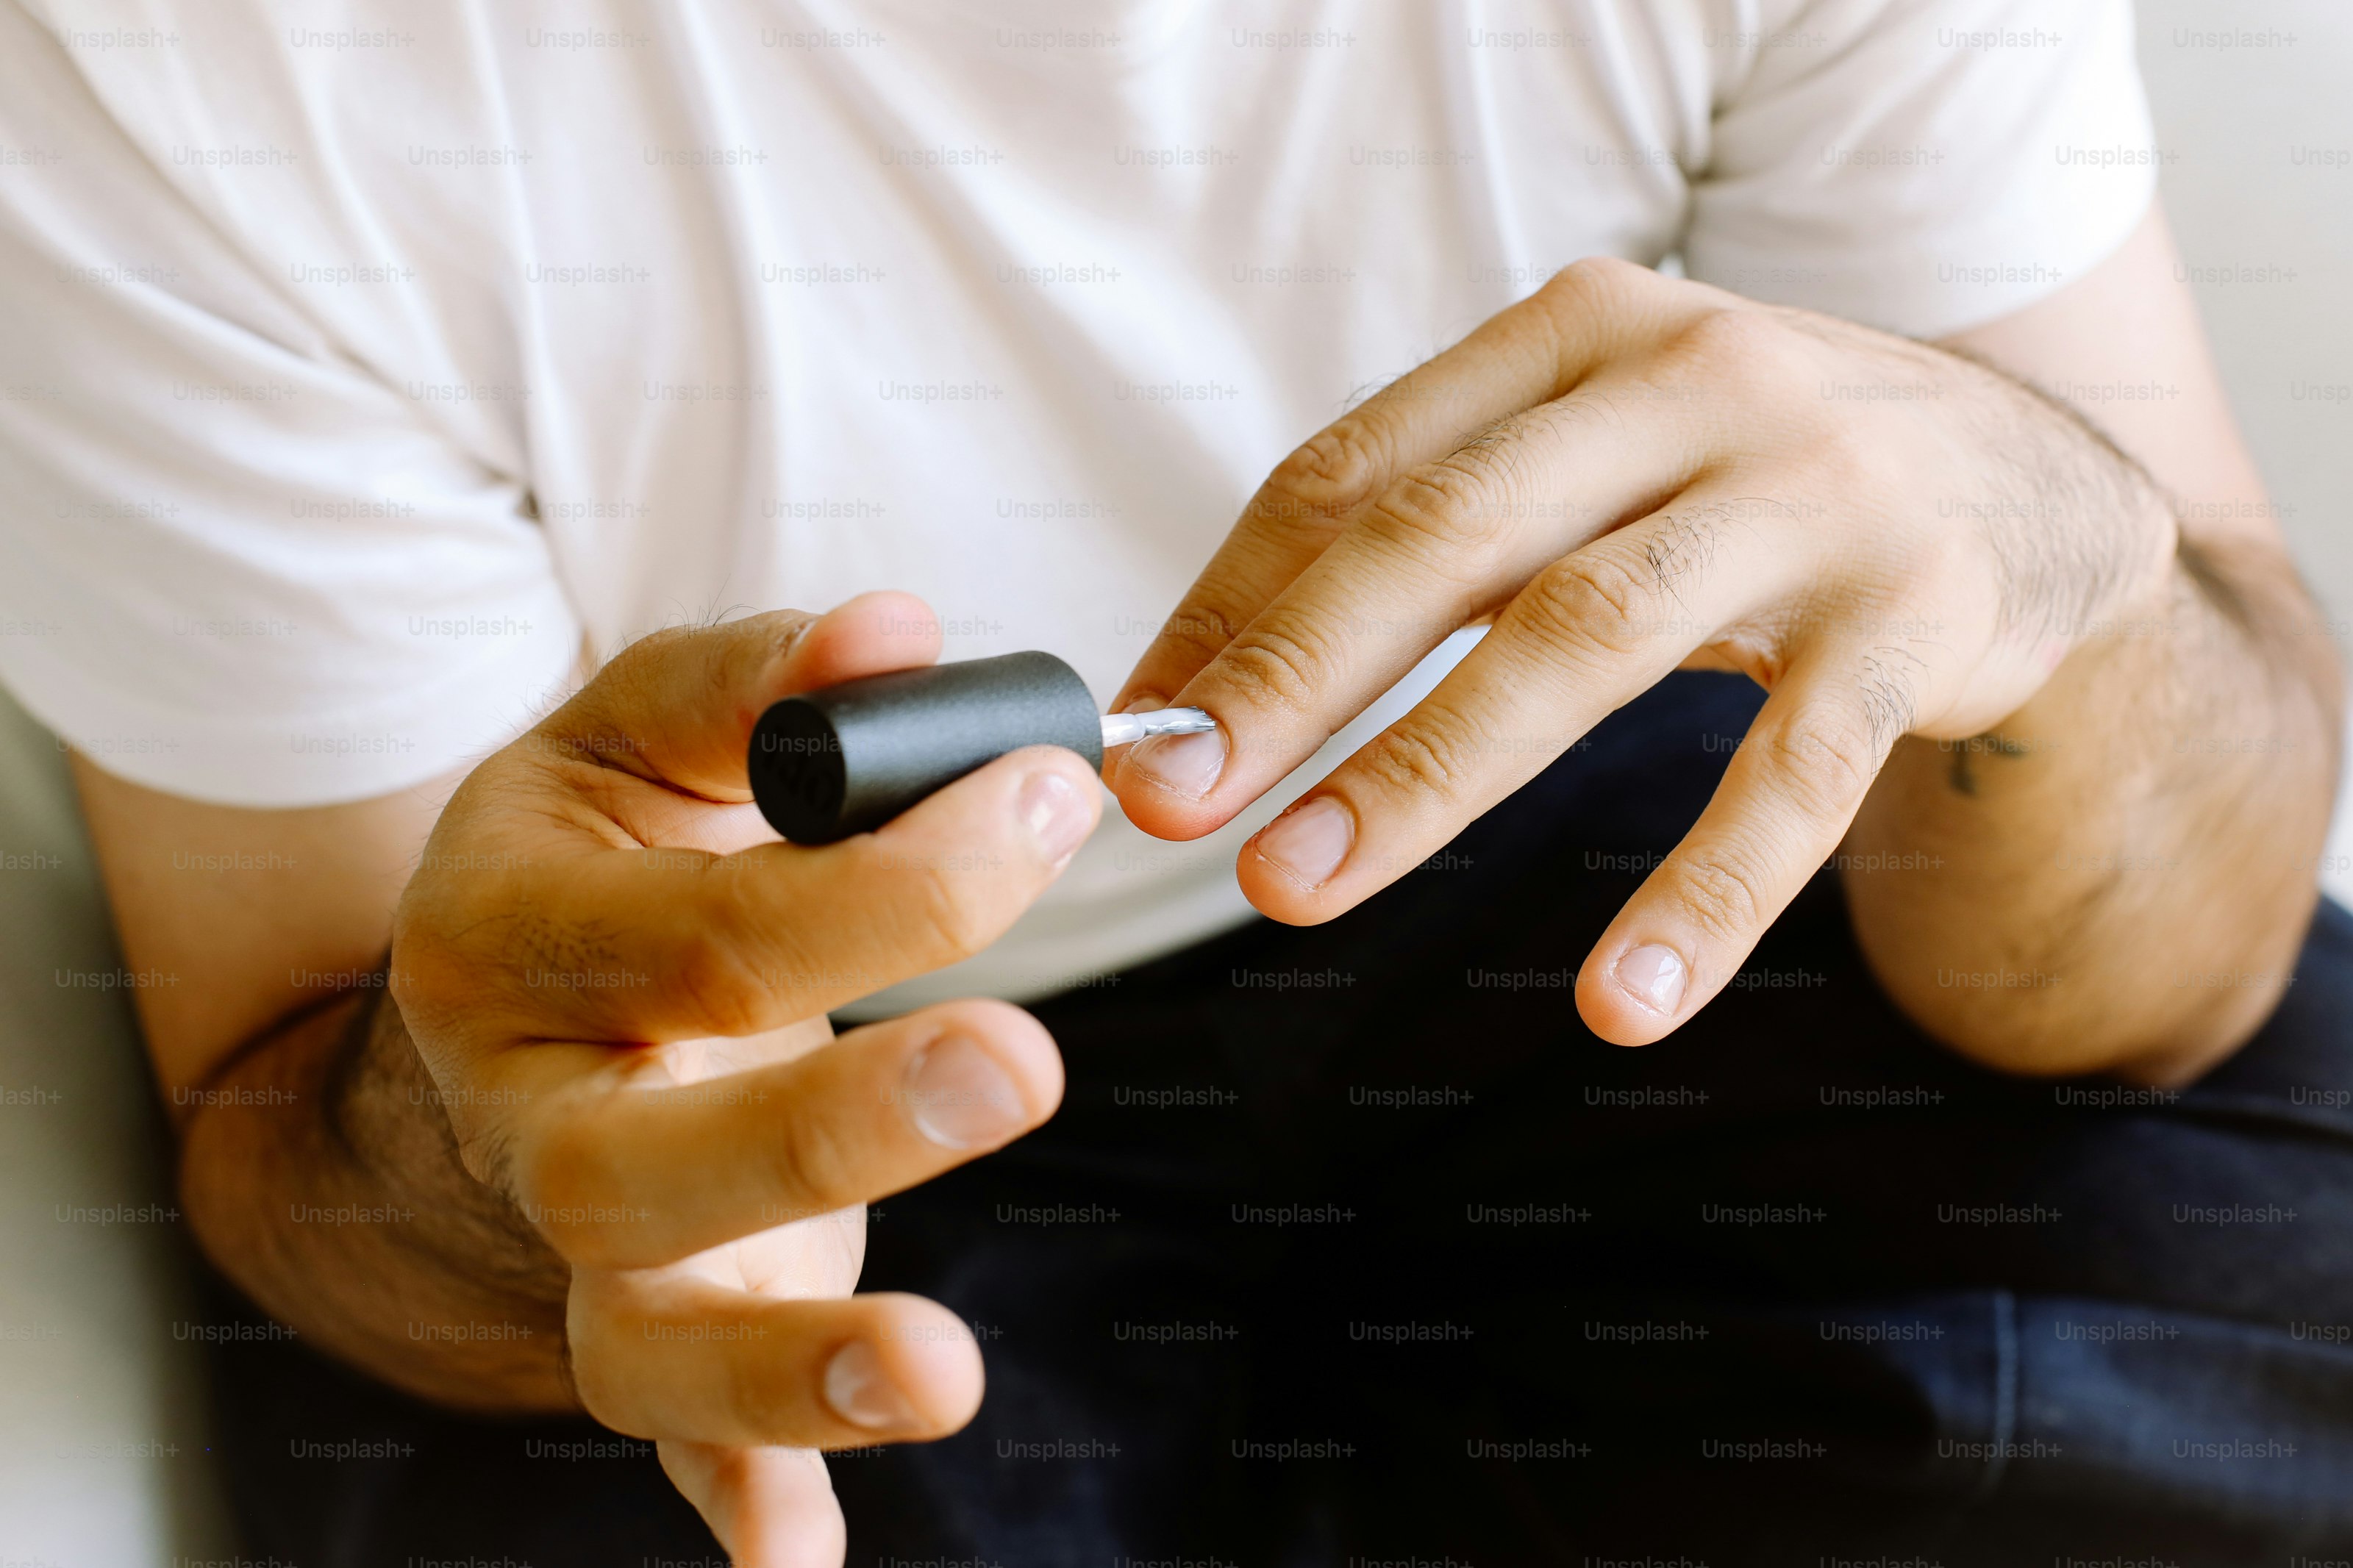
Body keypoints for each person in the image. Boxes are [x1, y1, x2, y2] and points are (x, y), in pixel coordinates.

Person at [3, 1, 2347, 1562]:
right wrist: (521, 1153)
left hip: (1652, 863)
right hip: (791, 1104)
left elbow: (2176, 973)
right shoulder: (154, 66)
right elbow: (292, 1114)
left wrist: (2080, 589)